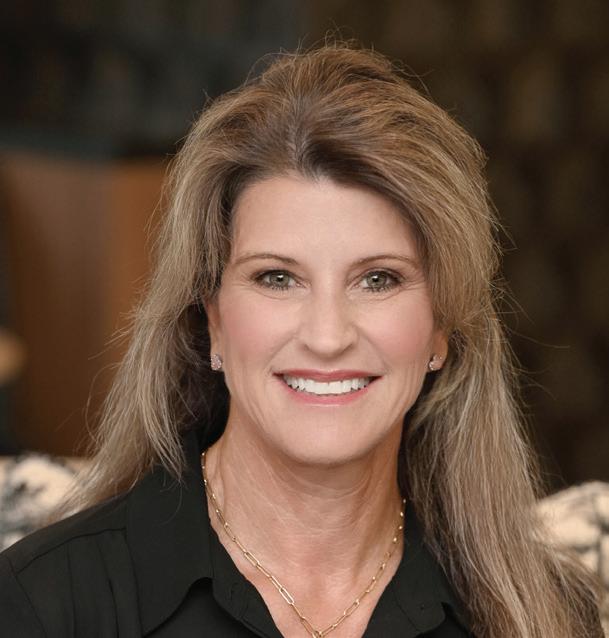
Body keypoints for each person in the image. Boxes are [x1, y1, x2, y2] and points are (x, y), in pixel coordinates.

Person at [0, 42, 603, 638]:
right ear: (212, 319)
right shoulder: (44, 605)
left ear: (440, 328)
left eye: (378, 279)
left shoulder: (542, 614)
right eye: (277, 278)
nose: (327, 336)